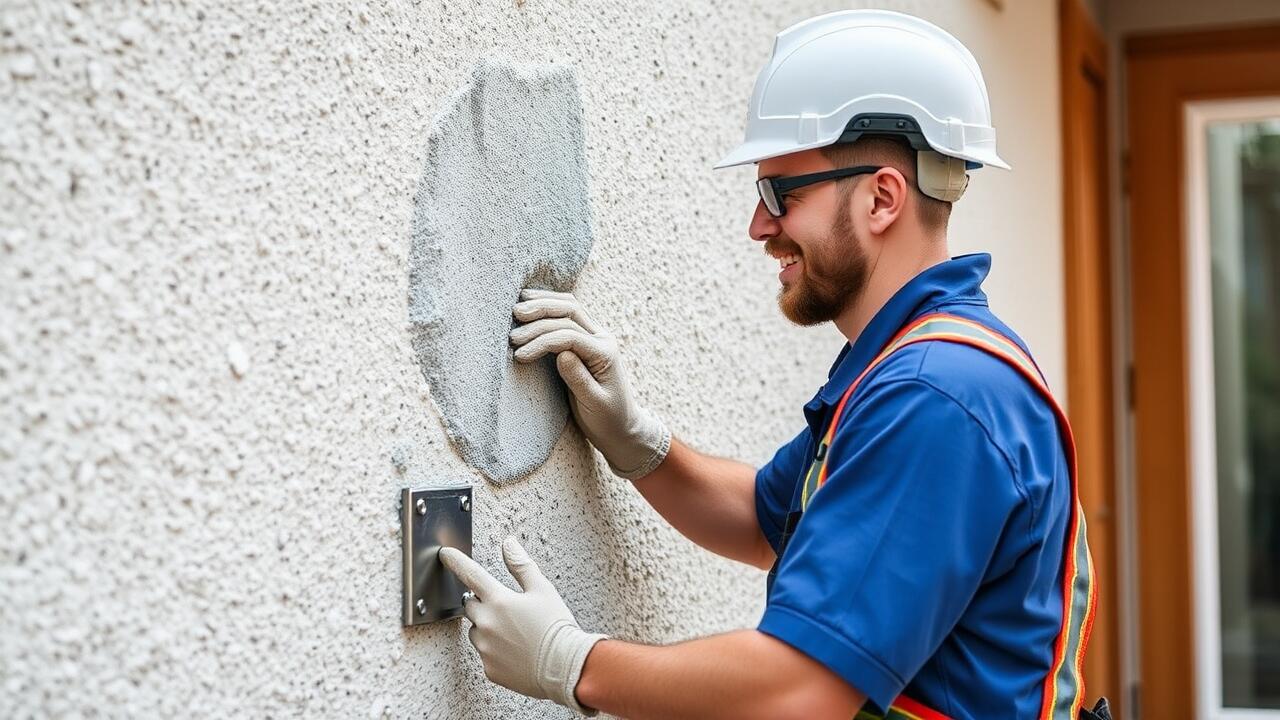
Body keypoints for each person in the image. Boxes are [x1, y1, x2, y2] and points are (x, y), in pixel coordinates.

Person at [440, 9, 1110, 720]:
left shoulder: (935, 395)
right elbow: (766, 521)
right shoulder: (909, 364)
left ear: (883, 197)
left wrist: (570, 663)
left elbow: (802, 688)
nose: (759, 226)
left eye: (780, 194)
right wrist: (633, 441)